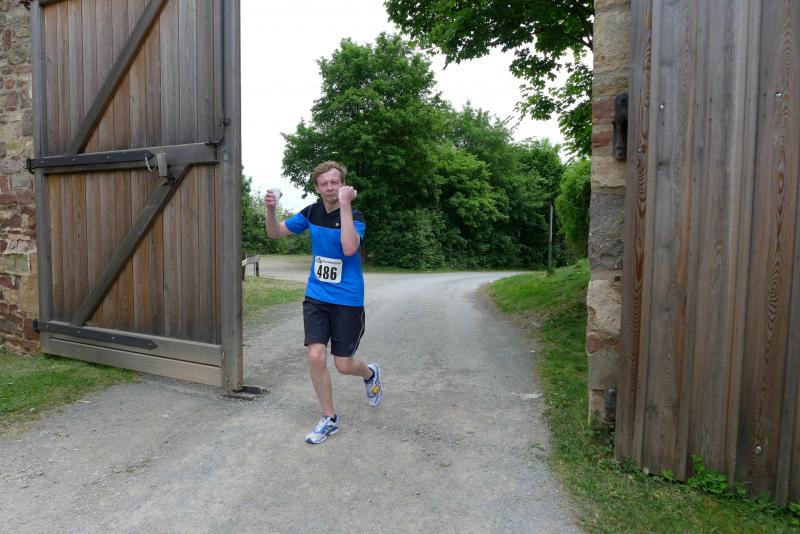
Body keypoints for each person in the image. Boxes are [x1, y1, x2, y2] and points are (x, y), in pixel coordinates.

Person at [265, 161, 382, 444]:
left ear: (343, 184)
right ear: (317, 188)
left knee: (343, 365)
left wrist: (345, 205)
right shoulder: (312, 212)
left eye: (334, 182)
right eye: (324, 183)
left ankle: (370, 373)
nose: (329, 187)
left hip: (347, 300)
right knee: (316, 356)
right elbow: (275, 233)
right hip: (317, 296)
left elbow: (349, 248)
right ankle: (330, 418)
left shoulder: (356, 216)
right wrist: (270, 209)